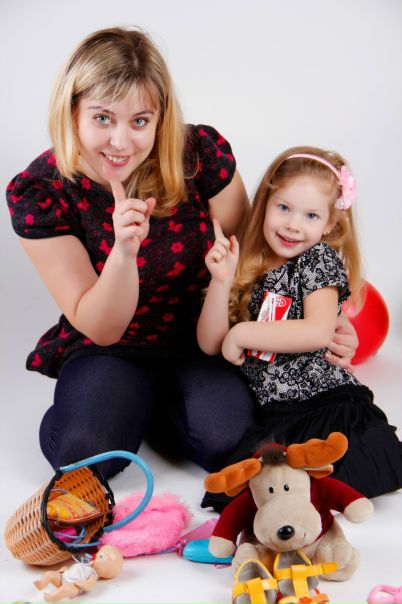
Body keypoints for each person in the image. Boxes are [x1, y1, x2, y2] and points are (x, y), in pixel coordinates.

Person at [6, 27, 357, 480]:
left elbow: (256, 256)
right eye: (102, 118)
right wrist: (123, 252)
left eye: (140, 121)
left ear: (161, 117)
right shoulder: (42, 191)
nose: (121, 142)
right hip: (110, 349)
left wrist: (324, 314)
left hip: (202, 341)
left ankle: (153, 412)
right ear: (72, 111)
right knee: (85, 456)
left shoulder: (200, 155)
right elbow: (103, 327)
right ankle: (120, 404)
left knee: (229, 441)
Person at [198, 146, 402, 505]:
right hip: (278, 413)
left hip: (326, 402)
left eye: (310, 215)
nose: (293, 224)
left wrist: (242, 332)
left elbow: (317, 332)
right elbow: (211, 344)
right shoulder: (250, 266)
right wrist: (221, 281)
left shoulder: (316, 260)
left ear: (330, 224)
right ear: (265, 204)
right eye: (283, 208)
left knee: (342, 472)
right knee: (249, 492)